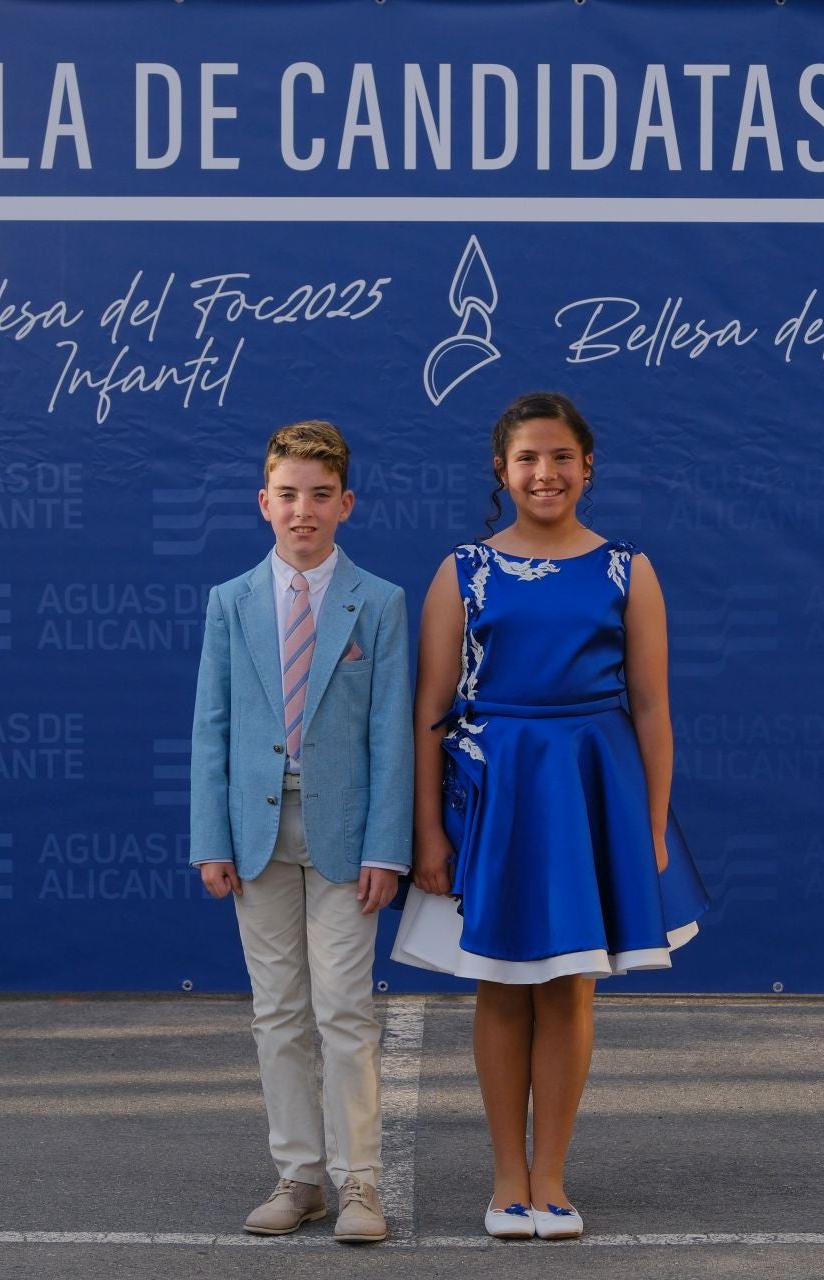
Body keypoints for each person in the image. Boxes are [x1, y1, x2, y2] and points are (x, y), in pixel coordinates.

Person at [391, 391, 709, 1240]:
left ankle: (552, 1180)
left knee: (570, 985)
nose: (545, 473)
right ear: (502, 470)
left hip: (588, 792)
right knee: (500, 985)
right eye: (528, 458)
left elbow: (650, 707)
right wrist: (428, 830)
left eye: (561, 457)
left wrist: (648, 824)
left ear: (587, 466)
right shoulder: (463, 570)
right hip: (497, 794)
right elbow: (427, 707)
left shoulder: (627, 569)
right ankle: (505, 1181)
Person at [188, 420, 412, 1243]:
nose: (303, 511)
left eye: (320, 496)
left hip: (349, 840)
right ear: (264, 502)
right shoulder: (231, 602)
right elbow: (211, 725)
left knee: (346, 1010)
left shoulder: (379, 602)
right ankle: (299, 1176)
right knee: (277, 1011)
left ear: (346, 504)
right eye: (288, 495)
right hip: (255, 835)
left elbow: (391, 734)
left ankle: (360, 1183)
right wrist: (210, 837)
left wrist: (389, 846)